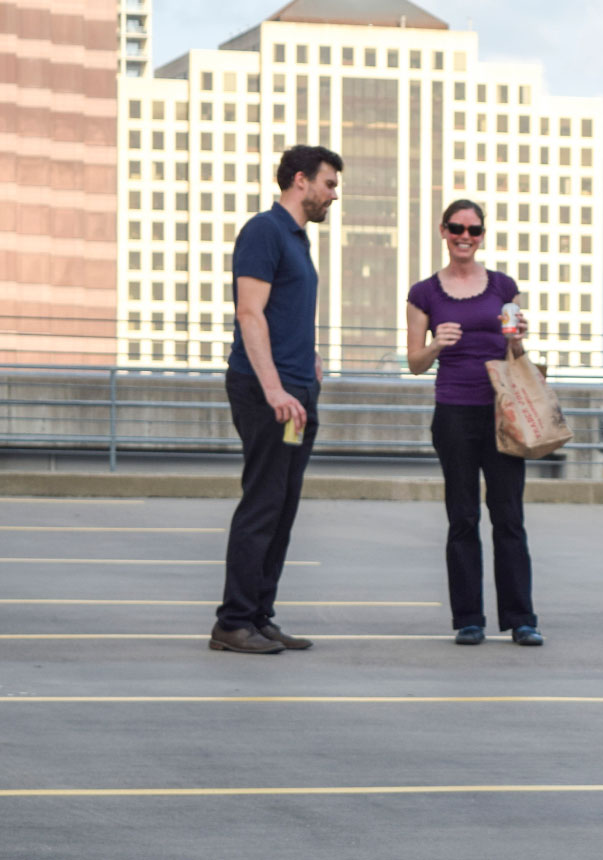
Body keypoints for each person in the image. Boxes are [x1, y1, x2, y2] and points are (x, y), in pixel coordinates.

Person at [211, 145, 342, 655]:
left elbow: (283, 312)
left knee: (282, 509)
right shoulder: (264, 231)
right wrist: (273, 388)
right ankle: (233, 622)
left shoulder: (296, 240)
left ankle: (259, 615)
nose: (334, 195)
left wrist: (307, 360)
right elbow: (250, 313)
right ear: (301, 180)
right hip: (269, 393)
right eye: (329, 184)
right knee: (262, 506)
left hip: (295, 391)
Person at [407, 200, 543, 647]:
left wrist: (519, 340)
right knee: (462, 517)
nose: (465, 236)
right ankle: (468, 618)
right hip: (453, 412)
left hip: (503, 411)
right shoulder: (424, 293)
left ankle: (521, 619)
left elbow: (516, 356)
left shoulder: (503, 286)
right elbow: (414, 363)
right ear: (443, 231)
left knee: (509, 517)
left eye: (474, 229)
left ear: (482, 234)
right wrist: (436, 346)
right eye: (456, 228)